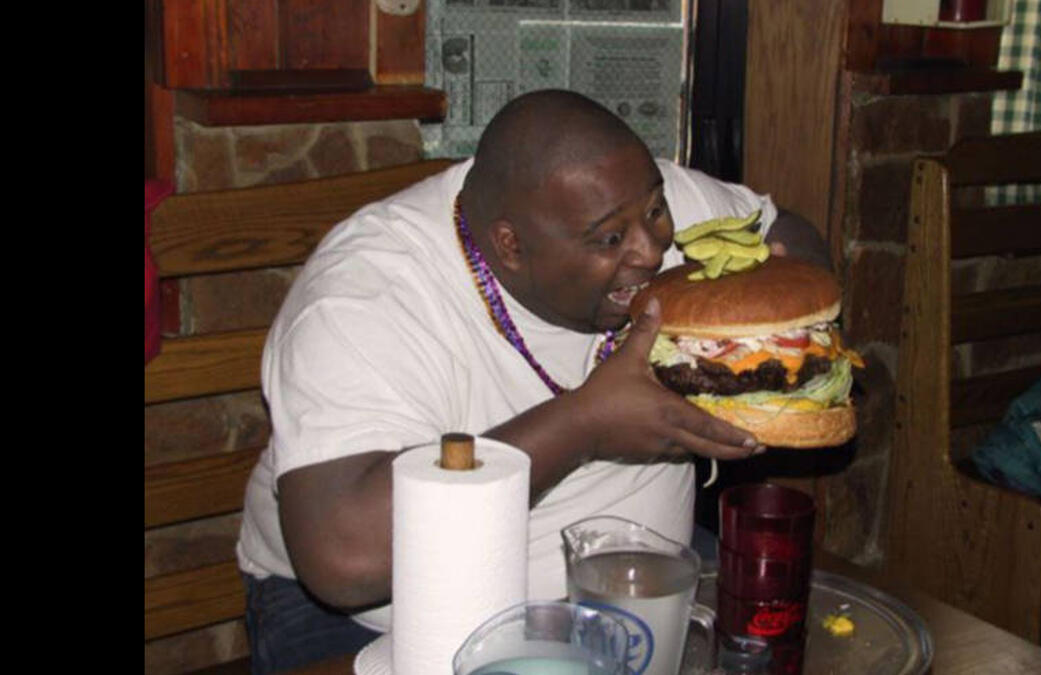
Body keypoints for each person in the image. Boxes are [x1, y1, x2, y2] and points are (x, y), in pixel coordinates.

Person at [235, 89, 833, 674]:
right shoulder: (369, 293)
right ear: (510, 246)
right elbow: (343, 559)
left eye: (655, 210)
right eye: (610, 240)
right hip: (386, 623)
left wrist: (766, 314)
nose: (652, 251)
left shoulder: (627, 197)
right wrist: (585, 426)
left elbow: (796, 241)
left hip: (641, 587)